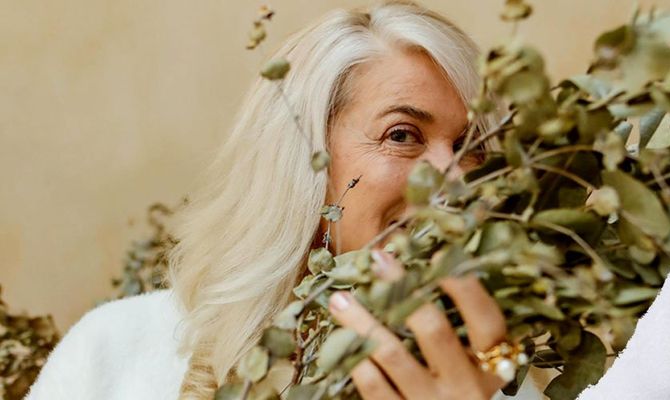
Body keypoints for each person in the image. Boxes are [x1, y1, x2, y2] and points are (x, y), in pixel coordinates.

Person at [26, 2, 514, 399]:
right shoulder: (116, 352)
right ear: (303, 161)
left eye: (472, 146)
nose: (454, 180)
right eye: (402, 134)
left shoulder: (512, 375)